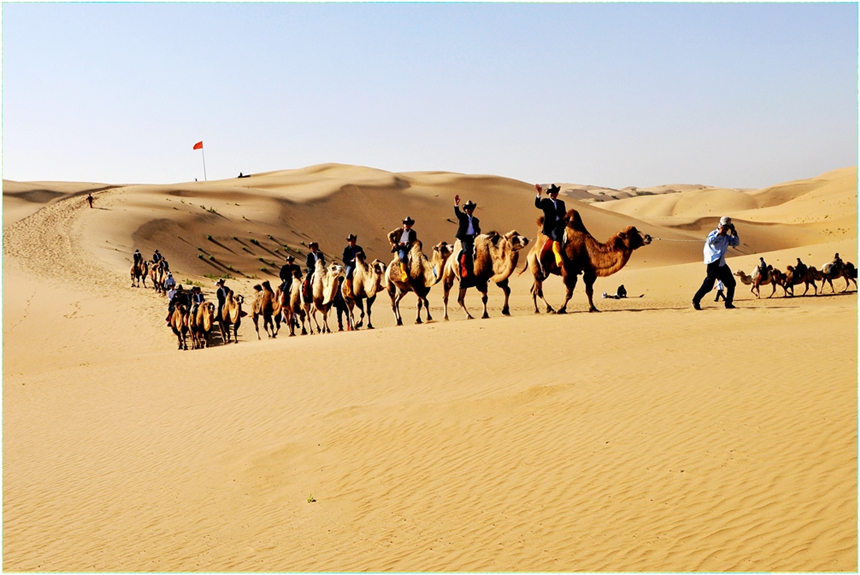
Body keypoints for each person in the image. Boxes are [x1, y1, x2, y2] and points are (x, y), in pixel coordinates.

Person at [692, 216, 740, 310]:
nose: (726, 229)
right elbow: (709, 241)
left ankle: (728, 304)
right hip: (713, 264)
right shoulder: (713, 233)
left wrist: (734, 232)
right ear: (721, 225)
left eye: (728, 227)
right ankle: (695, 301)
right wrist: (719, 233)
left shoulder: (727, 237)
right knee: (708, 286)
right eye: (725, 226)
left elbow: (736, 243)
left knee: (731, 284)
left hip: (721, 264)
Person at [534, 183, 567, 271]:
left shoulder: (561, 203)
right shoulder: (545, 202)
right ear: (548, 193)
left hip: (561, 225)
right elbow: (537, 204)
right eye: (551, 192)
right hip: (551, 227)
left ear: (557, 193)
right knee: (556, 236)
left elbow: (564, 214)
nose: (553, 194)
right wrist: (539, 194)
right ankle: (558, 257)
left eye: (555, 192)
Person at [454, 195, 480, 279]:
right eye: (468, 208)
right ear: (465, 210)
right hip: (464, 238)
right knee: (466, 251)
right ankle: (464, 272)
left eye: (471, 208)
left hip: (473, 238)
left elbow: (478, 228)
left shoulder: (476, 220)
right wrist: (456, 204)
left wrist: (477, 232)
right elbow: (457, 213)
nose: (469, 210)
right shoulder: (463, 217)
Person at [388, 217, 418, 282]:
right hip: (400, 248)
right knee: (403, 256)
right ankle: (404, 273)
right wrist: (394, 244)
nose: (408, 225)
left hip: (409, 247)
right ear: (403, 224)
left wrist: (407, 243)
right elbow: (389, 235)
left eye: (409, 224)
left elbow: (414, 240)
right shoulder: (399, 230)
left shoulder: (413, 233)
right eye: (406, 224)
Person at [341, 234, 366, 298]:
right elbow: (344, 259)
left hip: (359, 264)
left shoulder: (359, 248)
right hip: (350, 265)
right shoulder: (346, 249)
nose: (353, 242)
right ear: (349, 241)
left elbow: (364, 257)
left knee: (368, 269)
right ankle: (348, 290)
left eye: (354, 240)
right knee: (348, 274)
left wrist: (360, 257)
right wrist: (351, 260)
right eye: (351, 241)